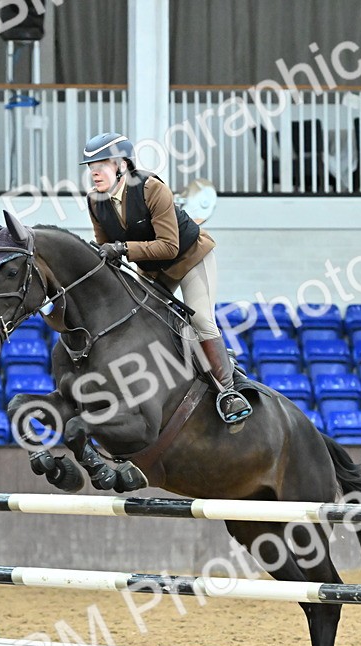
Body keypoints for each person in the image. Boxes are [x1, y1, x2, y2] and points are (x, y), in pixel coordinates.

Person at [81, 131, 251, 426]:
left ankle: (228, 390)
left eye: (102, 164)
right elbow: (106, 250)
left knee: (200, 320)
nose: (94, 172)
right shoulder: (96, 202)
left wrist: (122, 247)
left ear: (122, 165)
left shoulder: (151, 188)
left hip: (189, 257)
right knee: (141, 322)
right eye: (91, 166)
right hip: (152, 268)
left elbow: (169, 245)